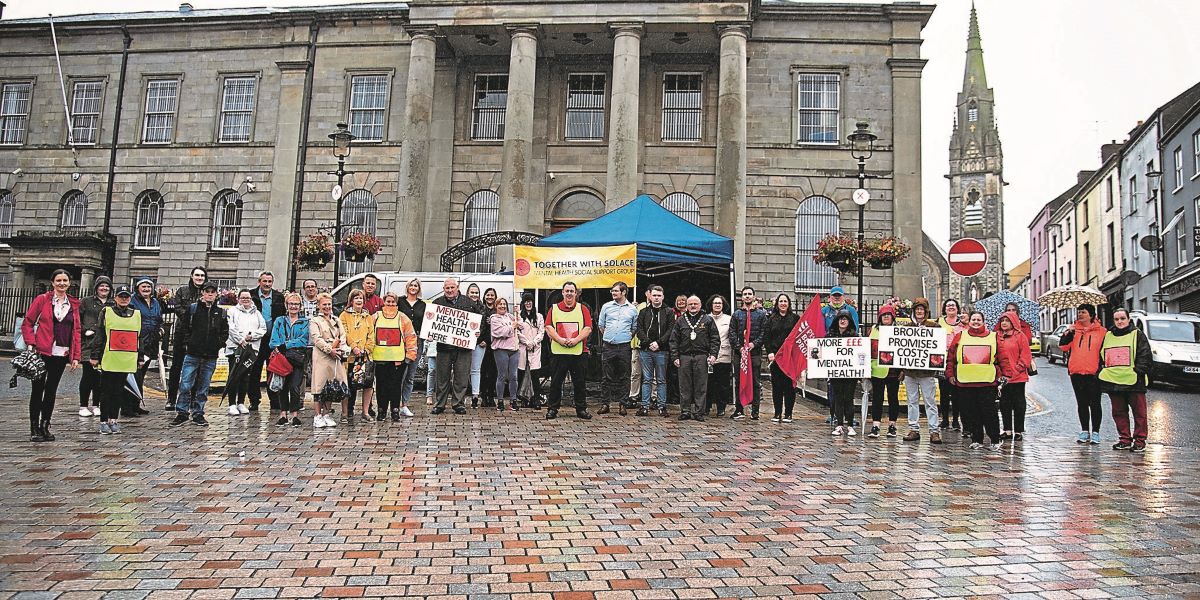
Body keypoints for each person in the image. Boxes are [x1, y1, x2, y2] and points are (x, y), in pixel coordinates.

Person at [21, 269, 82, 442]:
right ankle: (34, 428)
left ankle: (45, 425)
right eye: (58, 280)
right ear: (52, 282)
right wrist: (31, 343)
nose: (62, 283)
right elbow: (28, 322)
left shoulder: (74, 304)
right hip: (41, 351)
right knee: (37, 389)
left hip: (61, 353)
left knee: (51, 390)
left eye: (65, 280)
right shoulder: (42, 300)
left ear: (69, 283)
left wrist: (75, 356)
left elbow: (76, 331)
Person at [169, 282, 228, 428]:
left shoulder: (220, 312)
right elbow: (184, 328)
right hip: (193, 354)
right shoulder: (193, 309)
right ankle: (182, 412)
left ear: (216, 295)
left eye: (212, 292)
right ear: (202, 293)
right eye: (207, 291)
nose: (209, 294)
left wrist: (218, 343)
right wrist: (189, 343)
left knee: (203, 386)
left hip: (210, 355)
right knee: (185, 384)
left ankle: (198, 412)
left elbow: (224, 332)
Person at [1099, 308, 1152, 452]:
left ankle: (1140, 440)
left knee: (1139, 414)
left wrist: (1138, 371)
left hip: (1134, 382)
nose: (1120, 322)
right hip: (1113, 381)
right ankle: (1124, 439)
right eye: (1116, 319)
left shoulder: (1137, 335)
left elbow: (1145, 355)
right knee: (1119, 412)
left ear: (1128, 319)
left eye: (1122, 318)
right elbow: (1102, 355)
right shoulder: (1108, 335)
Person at [948, 311, 1003, 450]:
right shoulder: (960, 336)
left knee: (989, 412)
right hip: (965, 382)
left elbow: (1002, 357)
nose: (976, 321)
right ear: (969, 321)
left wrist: (1004, 375)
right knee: (971, 412)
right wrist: (950, 374)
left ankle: (995, 439)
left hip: (987, 382)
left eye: (979, 319)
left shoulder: (993, 336)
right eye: (973, 319)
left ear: (984, 322)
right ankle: (976, 439)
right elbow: (951, 357)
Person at [89, 285, 138, 435]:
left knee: (118, 391)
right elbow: (100, 334)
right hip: (109, 357)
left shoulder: (136, 313)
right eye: (121, 296)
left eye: (126, 296)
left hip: (126, 358)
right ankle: (103, 421)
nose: (124, 299)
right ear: (115, 297)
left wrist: (140, 356)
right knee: (106, 391)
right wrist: (94, 355)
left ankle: (113, 419)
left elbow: (138, 337)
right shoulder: (107, 312)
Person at [1058, 303, 1107, 444]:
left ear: (1091, 315)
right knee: (1082, 403)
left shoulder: (1102, 331)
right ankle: (1084, 430)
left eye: (1083, 312)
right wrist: (1068, 333)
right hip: (1076, 371)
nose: (1080, 314)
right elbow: (1063, 346)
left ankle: (1096, 432)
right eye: (1079, 312)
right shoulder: (1074, 331)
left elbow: (1105, 351)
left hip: (1094, 373)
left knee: (1095, 403)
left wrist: (1102, 368)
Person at [545, 281, 593, 420]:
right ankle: (552, 409)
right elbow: (548, 327)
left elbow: (588, 328)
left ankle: (581, 409)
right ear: (562, 293)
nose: (569, 293)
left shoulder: (583, 309)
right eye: (567, 291)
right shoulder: (553, 309)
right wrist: (560, 340)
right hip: (559, 352)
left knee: (580, 382)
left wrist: (576, 340)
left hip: (578, 351)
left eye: (572, 291)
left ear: (576, 293)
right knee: (555, 382)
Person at [669, 295, 720, 421]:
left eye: (695, 304)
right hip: (684, 357)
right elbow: (673, 340)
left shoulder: (707, 320)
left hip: (701, 356)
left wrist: (713, 354)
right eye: (690, 304)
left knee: (700, 385)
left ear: (700, 305)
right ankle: (685, 411)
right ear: (687, 306)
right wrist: (675, 356)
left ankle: (699, 412)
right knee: (684, 385)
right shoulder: (680, 320)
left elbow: (715, 339)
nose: (692, 306)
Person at [433, 278, 477, 415]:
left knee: (461, 377)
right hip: (444, 347)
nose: (450, 290)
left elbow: (479, 319)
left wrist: (477, 333)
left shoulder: (469, 302)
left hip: (463, 348)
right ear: (443, 289)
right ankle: (440, 404)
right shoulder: (437, 303)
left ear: (457, 288)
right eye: (447, 288)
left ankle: (458, 404)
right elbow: (430, 323)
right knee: (442, 377)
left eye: (452, 287)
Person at [371, 292, 419, 420]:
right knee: (381, 387)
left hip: (398, 360)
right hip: (379, 359)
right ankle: (381, 411)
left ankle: (395, 411)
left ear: (396, 303)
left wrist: (410, 355)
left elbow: (411, 337)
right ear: (383, 302)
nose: (390, 304)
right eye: (388, 302)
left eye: (393, 302)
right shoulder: (375, 317)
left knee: (396, 386)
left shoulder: (403, 318)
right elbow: (369, 334)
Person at [167, 266, 208, 411]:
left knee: (197, 368)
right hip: (181, 333)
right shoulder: (182, 291)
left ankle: (192, 399)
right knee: (176, 367)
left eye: (202, 276)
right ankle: (171, 399)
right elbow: (178, 309)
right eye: (197, 275)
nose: (199, 278)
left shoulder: (206, 292)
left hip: (199, 335)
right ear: (192, 276)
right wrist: (194, 317)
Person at [902, 298, 942, 444]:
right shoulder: (907, 327)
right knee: (911, 401)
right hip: (910, 372)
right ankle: (914, 428)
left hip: (926, 373)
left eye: (922, 309)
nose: (919, 312)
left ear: (926, 312)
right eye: (917, 309)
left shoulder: (934, 327)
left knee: (930, 401)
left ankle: (934, 431)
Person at [597, 281, 638, 415]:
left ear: (624, 292)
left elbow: (634, 328)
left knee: (625, 376)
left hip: (624, 347)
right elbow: (601, 326)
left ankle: (623, 404)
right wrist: (611, 337)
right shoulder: (606, 307)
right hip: (608, 346)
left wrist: (623, 337)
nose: (613, 293)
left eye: (616, 291)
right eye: (612, 291)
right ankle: (605, 404)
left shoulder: (632, 309)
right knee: (606, 377)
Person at [225, 288, 267, 415]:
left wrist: (252, 336)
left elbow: (263, 328)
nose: (245, 300)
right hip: (235, 348)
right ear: (238, 299)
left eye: (248, 298)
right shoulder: (232, 311)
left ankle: (241, 402)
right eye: (243, 298)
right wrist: (240, 340)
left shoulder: (257, 313)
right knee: (234, 375)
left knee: (245, 376)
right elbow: (231, 328)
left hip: (251, 349)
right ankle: (232, 403)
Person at [309, 292, 348, 428]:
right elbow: (316, 338)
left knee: (332, 386)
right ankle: (317, 415)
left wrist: (341, 348)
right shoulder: (315, 321)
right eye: (324, 304)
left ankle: (327, 414)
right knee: (319, 386)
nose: (327, 307)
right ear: (319, 305)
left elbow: (343, 335)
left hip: (336, 356)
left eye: (329, 304)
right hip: (322, 356)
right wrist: (329, 349)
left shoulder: (337, 320)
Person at [270, 294, 309, 427]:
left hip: (297, 358)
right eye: (291, 304)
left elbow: (303, 340)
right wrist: (278, 347)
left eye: (296, 304)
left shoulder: (305, 322)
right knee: (282, 386)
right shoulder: (279, 320)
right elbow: (274, 340)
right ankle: (283, 414)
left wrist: (285, 345)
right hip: (281, 358)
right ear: (286, 305)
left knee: (294, 386)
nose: (293, 306)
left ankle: (295, 415)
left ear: (300, 306)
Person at [249, 271, 286, 412]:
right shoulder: (252, 295)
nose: (267, 284)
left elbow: (282, 317)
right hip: (257, 340)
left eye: (269, 281)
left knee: (273, 370)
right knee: (254, 371)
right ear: (259, 282)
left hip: (272, 340)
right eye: (264, 281)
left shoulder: (278, 297)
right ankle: (254, 400)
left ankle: (274, 400)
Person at [78, 275, 113, 417]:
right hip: (89, 344)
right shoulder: (86, 302)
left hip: (106, 345)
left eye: (107, 286)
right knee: (88, 375)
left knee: (101, 377)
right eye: (101, 286)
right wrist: (85, 331)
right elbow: (76, 321)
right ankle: (83, 405)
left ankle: (96, 404)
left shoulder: (112, 304)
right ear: (96, 288)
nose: (104, 288)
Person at [636, 285, 672, 417]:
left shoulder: (669, 312)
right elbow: (638, 329)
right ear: (650, 296)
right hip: (646, 350)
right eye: (654, 295)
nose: (656, 298)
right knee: (647, 379)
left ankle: (661, 406)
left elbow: (670, 330)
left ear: (663, 296)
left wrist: (659, 342)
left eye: (659, 295)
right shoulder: (643, 312)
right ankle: (644, 406)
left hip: (662, 350)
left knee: (661, 379)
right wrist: (647, 342)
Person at [730, 286, 766, 421]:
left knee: (755, 381)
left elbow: (764, 332)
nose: (747, 296)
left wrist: (754, 344)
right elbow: (732, 332)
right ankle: (739, 409)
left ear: (754, 296)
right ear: (742, 297)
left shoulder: (761, 314)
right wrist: (739, 347)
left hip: (754, 353)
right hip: (740, 353)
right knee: (739, 381)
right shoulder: (737, 314)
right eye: (745, 294)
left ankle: (755, 410)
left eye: (750, 294)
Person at [764, 293, 800, 423]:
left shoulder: (795, 318)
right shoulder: (771, 319)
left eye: (785, 301)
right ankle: (777, 412)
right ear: (777, 304)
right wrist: (769, 352)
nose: (783, 303)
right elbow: (766, 337)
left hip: (790, 357)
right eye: (781, 301)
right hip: (776, 357)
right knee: (777, 386)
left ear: (789, 303)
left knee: (789, 386)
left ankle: (788, 413)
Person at [130, 277, 163, 416]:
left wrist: (161, 329)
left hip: (151, 343)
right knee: (134, 374)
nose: (146, 289)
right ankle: (128, 406)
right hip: (137, 342)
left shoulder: (155, 302)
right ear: (138, 288)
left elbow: (159, 319)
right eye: (143, 286)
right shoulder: (133, 301)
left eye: (148, 287)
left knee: (141, 375)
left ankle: (136, 404)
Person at [996, 310, 1032, 441]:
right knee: (1004, 403)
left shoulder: (1020, 336)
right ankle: (1007, 430)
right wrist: (1000, 373)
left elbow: (1025, 356)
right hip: (1003, 377)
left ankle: (1018, 430)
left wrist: (1016, 370)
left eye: (1007, 321)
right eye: (1002, 321)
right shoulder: (997, 336)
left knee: (1018, 404)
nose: (1004, 323)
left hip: (1018, 376)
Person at [340, 289, 376, 421]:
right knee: (348, 384)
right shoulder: (344, 315)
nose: (359, 300)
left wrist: (366, 349)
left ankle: (365, 412)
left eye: (361, 298)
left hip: (365, 356)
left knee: (367, 384)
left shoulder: (367, 317)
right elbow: (345, 333)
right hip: (349, 356)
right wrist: (354, 347)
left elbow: (371, 335)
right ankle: (346, 411)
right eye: (356, 298)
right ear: (351, 301)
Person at [868, 304, 902, 438]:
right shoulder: (873, 330)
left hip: (894, 371)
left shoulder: (900, 332)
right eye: (883, 315)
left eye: (888, 314)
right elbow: (868, 349)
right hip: (877, 370)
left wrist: (903, 370)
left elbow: (904, 352)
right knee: (877, 398)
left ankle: (892, 425)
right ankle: (876, 425)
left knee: (893, 398)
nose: (886, 317)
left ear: (893, 317)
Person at [826, 310, 859, 435]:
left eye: (845, 318)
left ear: (849, 321)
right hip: (836, 372)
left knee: (848, 398)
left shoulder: (855, 336)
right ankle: (839, 424)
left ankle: (850, 425)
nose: (843, 321)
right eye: (840, 318)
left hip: (850, 373)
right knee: (838, 398)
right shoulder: (830, 336)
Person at [937, 298, 966, 432]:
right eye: (948, 305)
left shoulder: (963, 323)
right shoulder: (939, 322)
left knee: (956, 393)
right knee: (943, 392)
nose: (951, 307)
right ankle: (944, 420)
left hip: (957, 361)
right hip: (942, 360)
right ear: (945, 308)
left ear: (957, 308)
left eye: (953, 305)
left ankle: (955, 420)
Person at [397, 279, 427, 410]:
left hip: (417, 341)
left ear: (419, 288)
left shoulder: (423, 305)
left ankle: (405, 404)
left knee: (411, 374)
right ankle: (396, 403)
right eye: (411, 285)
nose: (413, 287)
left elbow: (428, 323)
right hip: (401, 341)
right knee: (400, 374)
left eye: (416, 286)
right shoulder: (399, 301)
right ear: (407, 287)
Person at [489, 297, 521, 411]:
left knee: (513, 376)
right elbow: (499, 332)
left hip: (514, 350)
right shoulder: (494, 319)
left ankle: (513, 400)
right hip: (501, 349)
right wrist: (511, 326)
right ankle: (500, 400)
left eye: (504, 304)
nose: (502, 306)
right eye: (500, 304)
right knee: (502, 376)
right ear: (496, 306)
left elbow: (520, 325)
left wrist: (518, 313)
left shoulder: (510, 316)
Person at [705, 295, 733, 417]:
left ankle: (721, 407)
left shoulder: (729, 319)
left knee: (723, 384)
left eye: (719, 303)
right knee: (708, 383)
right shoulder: (705, 319)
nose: (717, 305)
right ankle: (706, 406)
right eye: (715, 303)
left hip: (724, 356)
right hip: (708, 356)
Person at [517, 293, 545, 407]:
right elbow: (517, 332)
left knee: (535, 375)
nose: (528, 303)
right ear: (523, 303)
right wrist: (526, 342)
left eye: (530, 301)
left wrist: (533, 342)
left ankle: (536, 399)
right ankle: (521, 398)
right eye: (526, 301)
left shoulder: (539, 316)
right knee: (521, 373)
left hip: (535, 349)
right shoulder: (518, 316)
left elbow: (541, 332)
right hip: (523, 348)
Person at [466, 283, 487, 408]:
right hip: (464, 342)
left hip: (479, 343)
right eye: (472, 292)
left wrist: (483, 338)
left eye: (476, 292)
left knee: (475, 369)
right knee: (462, 370)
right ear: (467, 293)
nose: (474, 295)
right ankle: (461, 396)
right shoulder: (462, 305)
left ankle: (475, 395)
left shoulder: (483, 307)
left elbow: (485, 326)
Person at [666, 294, 687, 407]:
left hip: (686, 347)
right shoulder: (672, 313)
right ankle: (674, 397)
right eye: (678, 301)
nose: (681, 303)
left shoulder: (691, 313)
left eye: (683, 300)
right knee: (673, 374)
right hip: (673, 346)